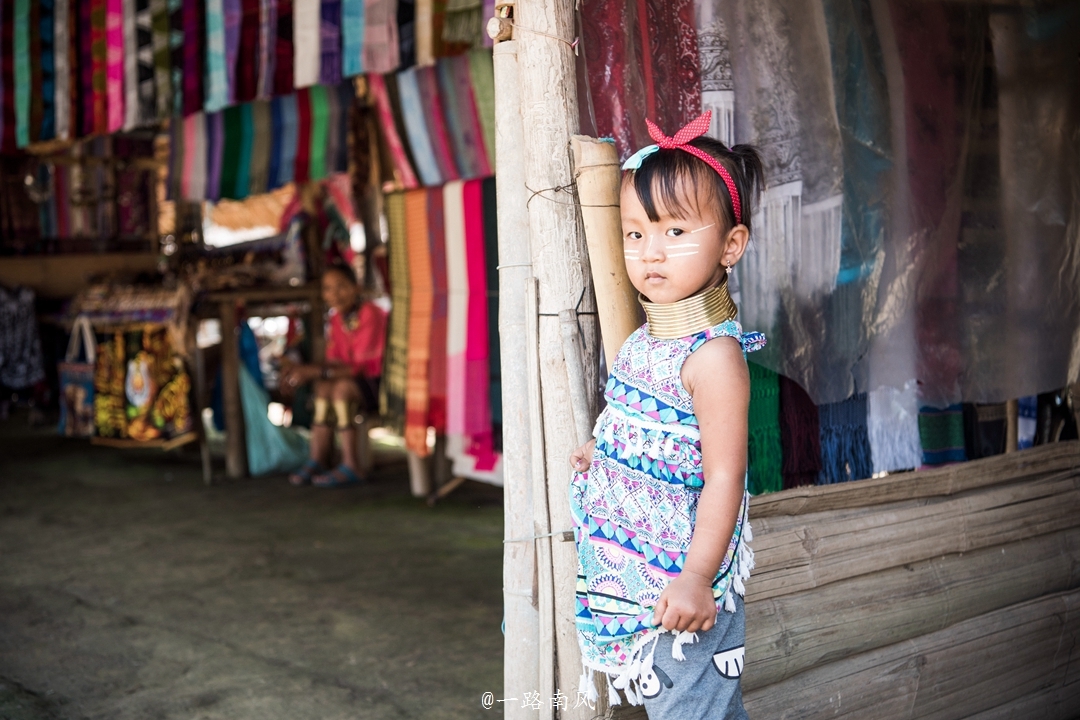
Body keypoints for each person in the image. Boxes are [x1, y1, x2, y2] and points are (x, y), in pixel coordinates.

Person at [567, 111, 765, 719]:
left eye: (675, 231)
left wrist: (697, 578)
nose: (650, 252)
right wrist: (608, 455)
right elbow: (650, 427)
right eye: (634, 233)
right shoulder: (643, 341)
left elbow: (725, 476)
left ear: (731, 245)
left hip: (683, 579)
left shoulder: (715, 358)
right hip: (638, 574)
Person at [283, 262, 387, 488]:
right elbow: (335, 362)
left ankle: (351, 464)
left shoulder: (369, 312)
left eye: (341, 286)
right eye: (328, 288)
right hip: (355, 380)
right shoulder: (337, 318)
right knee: (322, 388)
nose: (334, 294)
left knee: (340, 389)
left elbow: (359, 368)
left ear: (355, 287)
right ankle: (317, 459)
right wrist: (304, 370)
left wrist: (312, 371)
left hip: (380, 384)